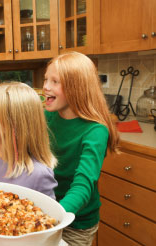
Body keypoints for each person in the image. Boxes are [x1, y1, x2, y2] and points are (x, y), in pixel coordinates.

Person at [43, 51, 120, 245]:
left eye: (54, 82)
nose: (45, 87)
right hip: (45, 211)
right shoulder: (46, 117)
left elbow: (83, 185)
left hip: (76, 224)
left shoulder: (95, 131)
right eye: (46, 79)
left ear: (76, 88)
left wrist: (54, 217)